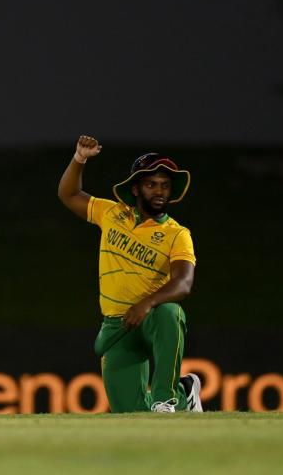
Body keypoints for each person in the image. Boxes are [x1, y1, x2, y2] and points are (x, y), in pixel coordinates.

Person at [58, 135, 203, 413]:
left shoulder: (177, 234)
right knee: (130, 411)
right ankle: (186, 395)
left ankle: (167, 398)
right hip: (117, 324)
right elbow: (69, 194)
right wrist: (80, 159)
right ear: (136, 188)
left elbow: (183, 284)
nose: (159, 191)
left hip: (151, 318)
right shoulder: (112, 214)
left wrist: (146, 303)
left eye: (164, 185)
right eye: (151, 184)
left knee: (170, 312)